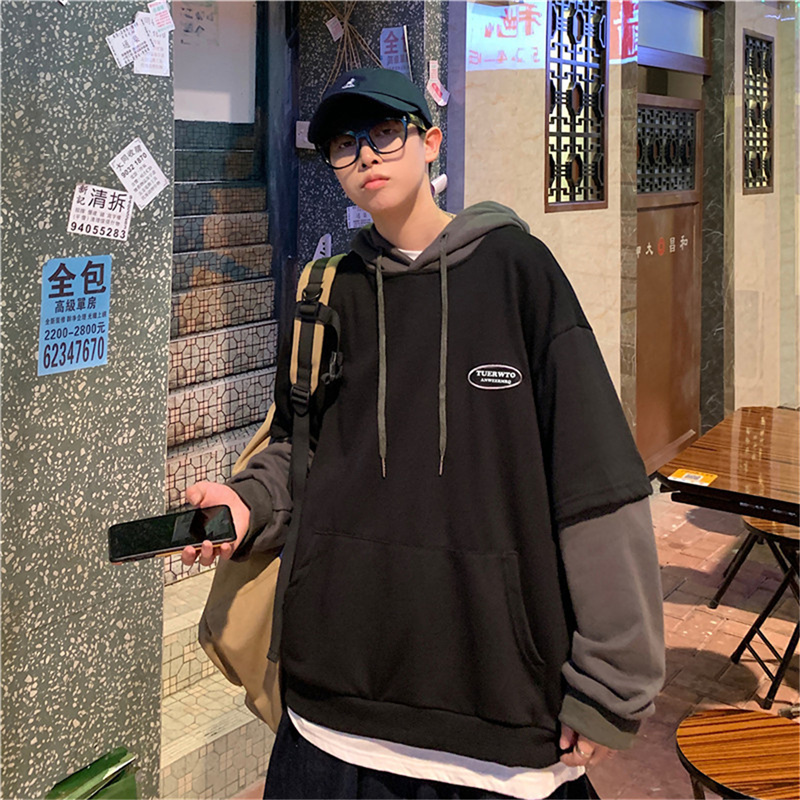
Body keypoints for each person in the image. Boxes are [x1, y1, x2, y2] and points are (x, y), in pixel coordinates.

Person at [182, 67, 665, 800]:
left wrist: (614, 682)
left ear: (431, 142)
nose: (365, 156)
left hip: (497, 718)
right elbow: (297, 452)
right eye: (344, 144)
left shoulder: (518, 272)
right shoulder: (326, 293)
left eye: (384, 132)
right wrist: (245, 503)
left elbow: (593, 478)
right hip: (332, 711)